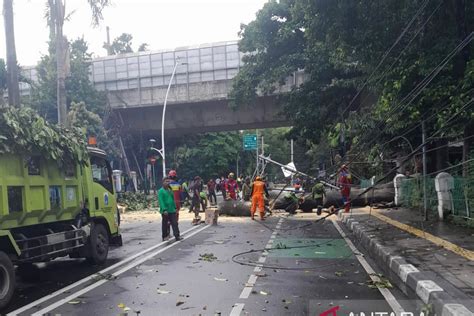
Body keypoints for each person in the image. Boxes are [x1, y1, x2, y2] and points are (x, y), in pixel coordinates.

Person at [158, 177, 182, 242]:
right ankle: (165, 236)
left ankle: (177, 236)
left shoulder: (170, 190)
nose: (168, 183)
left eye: (168, 181)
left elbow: (172, 199)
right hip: (165, 210)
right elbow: (161, 201)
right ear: (163, 182)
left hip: (172, 209)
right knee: (165, 224)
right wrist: (164, 209)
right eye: (166, 181)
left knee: (175, 223)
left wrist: (175, 207)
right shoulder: (161, 191)